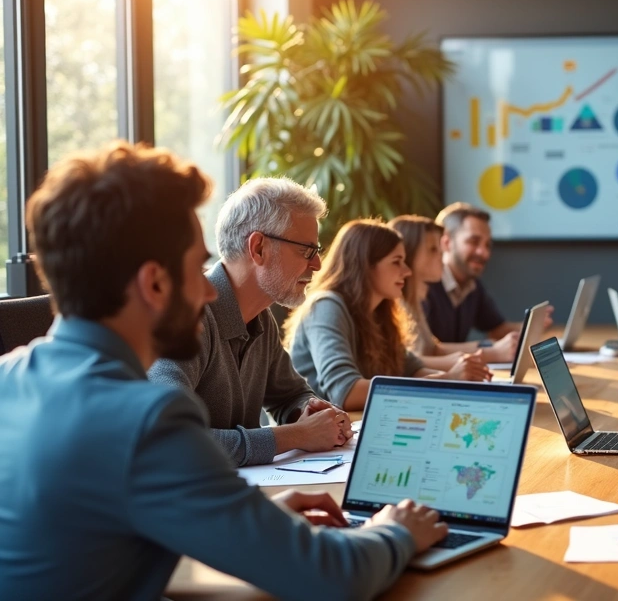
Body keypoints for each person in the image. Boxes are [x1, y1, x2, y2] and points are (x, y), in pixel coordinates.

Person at [0, 142, 447, 600]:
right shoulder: (146, 420)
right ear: (154, 283)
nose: (211, 292)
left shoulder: (6, 378)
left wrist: (241, 517)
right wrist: (397, 529)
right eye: (197, 268)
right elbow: (334, 576)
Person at [148, 178, 353, 467]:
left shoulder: (261, 318)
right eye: (307, 250)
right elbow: (171, 437)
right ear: (258, 248)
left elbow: (291, 394)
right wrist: (298, 435)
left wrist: (311, 412)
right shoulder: (187, 317)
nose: (317, 264)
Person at [285, 219, 492, 410]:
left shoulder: (379, 311)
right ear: (365, 265)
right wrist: (447, 380)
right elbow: (346, 392)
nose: (407, 271)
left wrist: (459, 380)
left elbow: (413, 369)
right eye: (396, 262)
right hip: (313, 436)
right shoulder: (326, 306)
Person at [389, 215, 520, 371]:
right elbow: (406, 362)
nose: (441, 253)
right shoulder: (399, 303)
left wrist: (487, 350)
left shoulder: (414, 300)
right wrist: (488, 353)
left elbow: (433, 349)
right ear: (408, 254)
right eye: (433, 249)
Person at [423, 202, 551, 343]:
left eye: (487, 245)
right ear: (446, 243)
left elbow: (496, 329)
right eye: (473, 242)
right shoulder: (424, 287)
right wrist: (489, 350)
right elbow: (427, 350)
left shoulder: (473, 286)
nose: (483, 253)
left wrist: (530, 326)